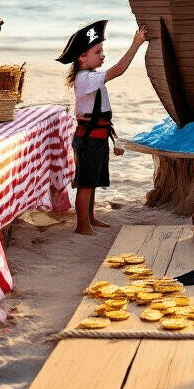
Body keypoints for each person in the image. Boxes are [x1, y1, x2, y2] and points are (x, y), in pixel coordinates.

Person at [56, 20, 148, 235]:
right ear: (83, 58)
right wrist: (136, 44)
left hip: (97, 135)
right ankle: (82, 225)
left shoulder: (91, 76)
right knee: (86, 183)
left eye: (102, 51)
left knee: (93, 180)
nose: (102, 55)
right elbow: (118, 70)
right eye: (98, 51)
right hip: (88, 137)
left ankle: (91, 217)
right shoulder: (85, 78)